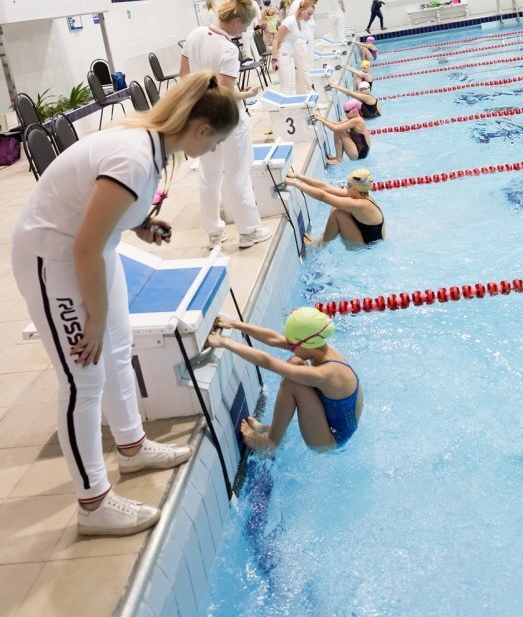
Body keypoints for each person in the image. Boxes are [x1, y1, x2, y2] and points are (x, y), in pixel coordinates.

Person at [11, 73, 240, 536]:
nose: (213, 151)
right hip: (53, 258)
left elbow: (99, 210)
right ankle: (92, 504)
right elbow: (83, 247)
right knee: (83, 378)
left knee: (117, 350)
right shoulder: (136, 157)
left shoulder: (152, 145)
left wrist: (140, 224)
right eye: (215, 142)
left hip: (91, 248)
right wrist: (91, 318)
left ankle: (132, 447)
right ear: (200, 129)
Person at [180, 0, 274, 250]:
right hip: (228, 122)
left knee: (209, 177)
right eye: (244, 25)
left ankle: (214, 234)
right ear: (236, 21)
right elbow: (226, 94)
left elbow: (184, 77)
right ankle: (248, 231)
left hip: (202, 121)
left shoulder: (195, 35)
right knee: (237, 175)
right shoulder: (228, 50)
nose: (243, 30)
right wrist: (248, 93)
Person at [207, 307, 362, 452]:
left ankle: (270, 443)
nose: (290, 346)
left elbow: (268, 362)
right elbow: (273, 338)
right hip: (334, 422)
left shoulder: (326, 373)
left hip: (331, 438)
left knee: (291, 382)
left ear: (305, 343)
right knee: (295, 363)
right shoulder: (317, 345)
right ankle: (274, 429)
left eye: (292, 344)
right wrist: (235, 324)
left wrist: (224, 342)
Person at [285, 168, 385, 246]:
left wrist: (295, 184)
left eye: (348, 185)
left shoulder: (359, 204)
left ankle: (319, 245)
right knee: (337, 208)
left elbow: (323, 196)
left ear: (354, 189)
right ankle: (323, 238)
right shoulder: (360, 194)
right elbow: (326, 188)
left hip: (367, 243)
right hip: (372, 235)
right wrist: (298, 176)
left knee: (336, 213)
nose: (346, 187)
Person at [271, 0, 315, 95]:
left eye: (311, 15)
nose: (309, 17)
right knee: (287, 88)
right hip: (283, 55)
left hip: (290, 56)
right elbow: (276, 40)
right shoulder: (289, 21)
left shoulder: (298, 22)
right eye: (308, 13)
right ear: (301, 9)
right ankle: (286, 109)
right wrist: (274, 60)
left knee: (292, 87)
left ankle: (292, 109)